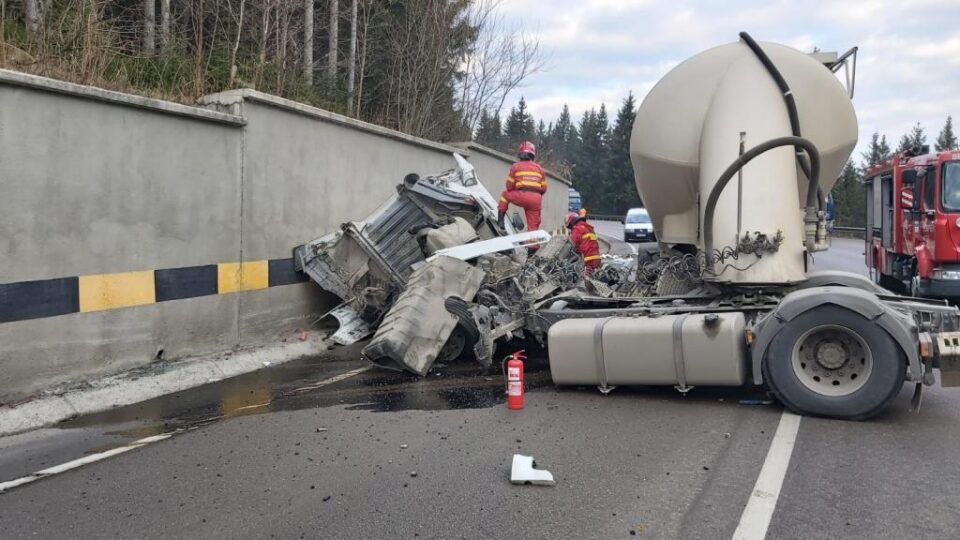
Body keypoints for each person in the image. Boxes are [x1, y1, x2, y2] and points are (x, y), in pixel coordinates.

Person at [497, 141, 547, 231]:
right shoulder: (540, 169)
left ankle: (500, 221)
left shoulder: (515, 166)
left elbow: (509, 186)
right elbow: (544, 188)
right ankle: (532, 245)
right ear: (532, 155)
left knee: (504, 195)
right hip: (536, 200)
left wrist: (519, 188)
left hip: (521, 195)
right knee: (533, 228)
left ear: (520, 154)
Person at [565, 211, 601, 276]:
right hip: (596, 257)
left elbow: (573, 245)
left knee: (585, 279)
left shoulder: (577, 229)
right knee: (594, 276)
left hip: (588, 258)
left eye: (570, 226)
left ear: (572, 222)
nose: (571, 228)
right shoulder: (589, 228)